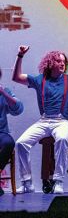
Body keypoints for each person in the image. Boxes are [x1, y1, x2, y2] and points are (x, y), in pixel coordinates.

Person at [12, 45, 68, 194]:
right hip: (44, 121)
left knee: (62, 139)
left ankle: (58, 181)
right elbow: (16, 77)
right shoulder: (40, 80)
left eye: (64, 62)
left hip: (62, 122)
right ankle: (27, 183)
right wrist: (20, 55)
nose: (62, 64)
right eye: (59, 61)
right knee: (21, 143)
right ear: (50, 63)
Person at [0, 67, 24, 196]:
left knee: (9, 143)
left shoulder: (5, 91)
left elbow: (18, 109)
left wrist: (3, 93)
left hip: (1, 132)